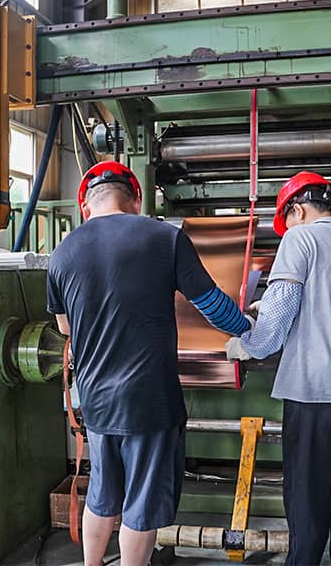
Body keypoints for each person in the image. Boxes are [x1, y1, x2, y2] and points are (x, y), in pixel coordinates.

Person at [47, 161, 251, 566]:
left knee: (102, 495)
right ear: (136, 200)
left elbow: (65, 327)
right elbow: (213, 306)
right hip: (150, 401)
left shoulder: (62, 252)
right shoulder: (164, 238)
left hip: (97, 400)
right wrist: (249, 328)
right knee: (141, 505)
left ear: (85, 206)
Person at [225, 171, 331, 565]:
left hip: (316, 394)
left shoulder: (300, 239)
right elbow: (326, 302)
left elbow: (274, 330)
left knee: (308, 500)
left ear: (296, 210)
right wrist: (270, 303)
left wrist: (246, 343)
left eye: (287, 221)